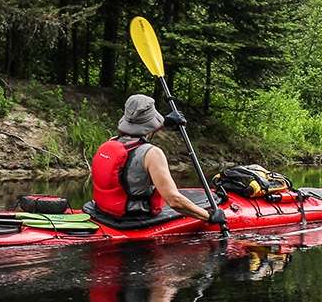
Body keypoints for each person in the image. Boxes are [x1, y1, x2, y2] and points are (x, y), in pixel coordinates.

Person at [91, 94, 228, 228]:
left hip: (104, 212)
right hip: (134, 218)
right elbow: (174, 201)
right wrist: (209, 216)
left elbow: (138, 133)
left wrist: (165, 122)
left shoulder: (111, 142)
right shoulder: (152, 154)